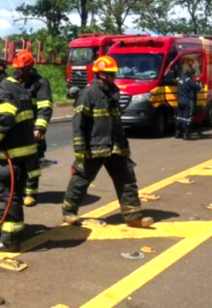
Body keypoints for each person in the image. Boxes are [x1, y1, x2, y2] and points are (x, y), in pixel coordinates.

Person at [62, 56, 154, 228]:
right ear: (101, 74)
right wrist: (80, 147)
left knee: (127, 179)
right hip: (93, 147)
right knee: (81, 179)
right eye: (111, 74)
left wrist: (123, 144)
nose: (114, 77)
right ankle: (69, 212)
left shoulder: (113, 92)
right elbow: (78, 122)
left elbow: (116, 121)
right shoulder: (88, 94)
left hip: (115, 147)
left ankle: (133, 216)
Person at [0, 56, 39, 253]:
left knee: (6, 196)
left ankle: (9, 241)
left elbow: (5, 118)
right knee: (14, 196)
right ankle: (13, 233)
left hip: (11, 155)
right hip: (25, 154)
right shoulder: (18, 87)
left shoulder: (2, 90)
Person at [11, 50, 53, 208]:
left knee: (32, 162)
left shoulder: (40, 82)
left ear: (29, 68)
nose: (19, 72)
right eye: (17, 69)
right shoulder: (14, 81)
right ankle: (18, 191)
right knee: (17, 161)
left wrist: (40, 128)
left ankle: (31, 193)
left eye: (22, 69)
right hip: (18, 127)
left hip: (33, 128)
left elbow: (45, 107)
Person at [176, 68, 202, 140]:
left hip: (179, 99)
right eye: (192, 74)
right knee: (186, 118)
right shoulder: (189, 81)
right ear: (190, 74)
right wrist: (199, 84)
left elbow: (176, 80)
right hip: (186, 100)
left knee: (179, 116)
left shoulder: (180, 79)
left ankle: (178, 132)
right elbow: (198, 87)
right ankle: (186, 134)